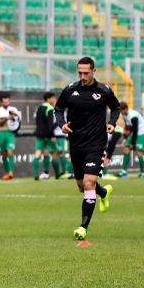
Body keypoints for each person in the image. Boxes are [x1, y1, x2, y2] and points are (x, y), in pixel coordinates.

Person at [55, 56, 120, 241]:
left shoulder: (104, 90)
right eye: (80, 73)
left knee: (89, 183)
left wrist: (112, 122)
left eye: (86, 73)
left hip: (96, 144)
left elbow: (116, 108)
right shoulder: (70, 90)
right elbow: (58, 109)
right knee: (82, 186)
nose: (83, 76)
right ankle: (104, 192)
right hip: (76, 143)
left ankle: (83, 227)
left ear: (94, 71)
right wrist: (62, 124)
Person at [33, 91, 62, 180]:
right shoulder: (49, 108)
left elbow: (38, 122)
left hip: (39, 134)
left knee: (38, 153)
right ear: (49, 99)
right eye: (53, 98)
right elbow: (50, 124)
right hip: (48, 135)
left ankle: (36, 174)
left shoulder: (38, 108)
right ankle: (57, 174)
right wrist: (57, 125)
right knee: (54, 154)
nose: (54, 99)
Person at [0, 94, 21, 180]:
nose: (6, 103)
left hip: (10, 133)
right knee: (4, 154)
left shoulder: (13, 109)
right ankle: (7, 172)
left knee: (10, 152)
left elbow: (18, 120)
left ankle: (11, 172)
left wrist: (14, 116)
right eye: (5, 102)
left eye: (8, 101)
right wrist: (7, 118)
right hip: (2, 133)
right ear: (1, 102)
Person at [117, 101, 144, 179]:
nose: (121, 112)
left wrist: (133, 143)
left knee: (139, 152)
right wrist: (125, 138)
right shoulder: (124, 115)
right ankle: (124, 172)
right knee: (126, 149)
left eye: (121, 110)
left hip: (140, 133)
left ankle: (143, 173)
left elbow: (135, 129)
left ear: (125, 109)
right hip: (133, 133)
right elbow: (127, 128)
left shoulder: (133, 116)